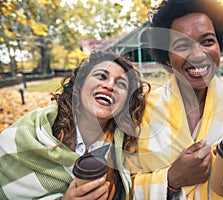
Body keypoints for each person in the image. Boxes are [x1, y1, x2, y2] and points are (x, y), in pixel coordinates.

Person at [132, 0, 223, 199]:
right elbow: (123, 184)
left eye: (207, 41)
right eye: (182, 45)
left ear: (220, 45)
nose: (198, 54)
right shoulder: (142, 110)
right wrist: (171, 180)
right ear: (166, 57)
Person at [0, 51, 150, 200]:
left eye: (121, 84)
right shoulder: (22, 137)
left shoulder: (126, 148)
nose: (110, 86)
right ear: (79, 85)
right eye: (101, 76)